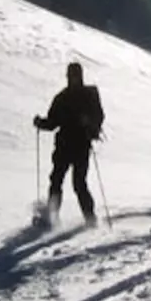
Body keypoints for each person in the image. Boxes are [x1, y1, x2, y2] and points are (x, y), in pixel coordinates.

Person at [33, 62, 105, 226]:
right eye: (71, 75)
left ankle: (90, 219)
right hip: (66, 145)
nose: (72, 78)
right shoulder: (68, 97)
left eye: (74, 75)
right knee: (58, 180)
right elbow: (52, 123)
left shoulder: (83, 95)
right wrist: (41, 123)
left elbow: (99, 116)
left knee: (77, 183)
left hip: (78, 145)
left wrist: (92, 125)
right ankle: (51, 219)